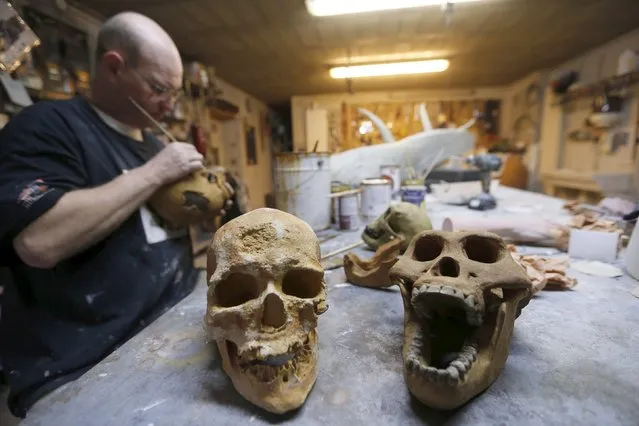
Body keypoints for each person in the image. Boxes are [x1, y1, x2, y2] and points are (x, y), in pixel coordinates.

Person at [0, 11, 208, 418]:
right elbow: (38, 242)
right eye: (158, 89)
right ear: (114, 67)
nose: (169, 105)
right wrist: (156, 173)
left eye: (175, 93)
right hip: (83, 364)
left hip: (166, 336)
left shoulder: (152, 143)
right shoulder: (47, 126)